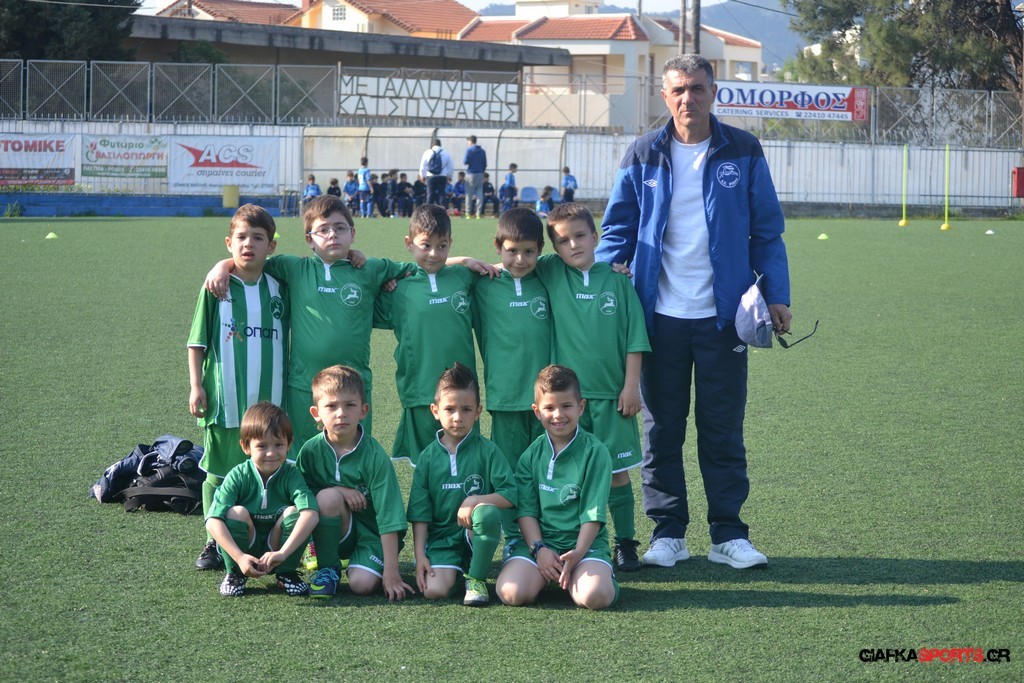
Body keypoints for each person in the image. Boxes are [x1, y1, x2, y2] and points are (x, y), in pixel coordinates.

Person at [597, 54, 792, 570]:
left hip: (724, 318)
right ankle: (668, 534)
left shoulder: (743, 149)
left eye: (698, 88)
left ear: (713, 92)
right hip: (658, 319)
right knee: (661, 431)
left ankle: (728, 534)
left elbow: (767, 230)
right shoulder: (642, 152)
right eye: (679, 90)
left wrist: (776, 294)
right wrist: (600, 288)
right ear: (665, 96)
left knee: (722, 428)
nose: (689, 98)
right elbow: (616, 231)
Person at [204, 195, 415, 449]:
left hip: (354, 389)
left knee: (353, 454)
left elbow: (422, 266)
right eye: (323, 230)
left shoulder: (369, 269)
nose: (332, 235)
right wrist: (222, 266)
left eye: (340, 228)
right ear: (309, 240)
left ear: (352, 233)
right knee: (304, 455)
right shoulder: (294, 268)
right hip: (303, 387)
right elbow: (251, 261)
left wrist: (394, 280)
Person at [532, 202, 649, 572]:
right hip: (567, 404)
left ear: (596, 237)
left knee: (616, 473)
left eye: (580, 235)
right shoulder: (552, 271)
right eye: (563, 241)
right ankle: (567, 541)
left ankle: (626, 543)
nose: (573, 245)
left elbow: (634, 338)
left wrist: (631, 387)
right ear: (554, 249)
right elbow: (512, 257)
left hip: (613, 398)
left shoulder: (618, 281)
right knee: (571, 474)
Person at [189, 204, 288, 572]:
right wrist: (196, 386)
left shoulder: (280, 287)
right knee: (218, 473)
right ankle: (214, 542)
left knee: (266, 470)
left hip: (269, 404)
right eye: (241, 238)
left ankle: (266, 539)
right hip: (225, 400)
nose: (249, 244)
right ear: (229, 243)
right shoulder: (216, 287)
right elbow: (197, 341)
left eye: (258, 238)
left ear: (271, 246)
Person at [495, 365, 617, 610]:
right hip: (541, 544)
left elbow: (592, 514)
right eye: (549, 408)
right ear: (537, 411)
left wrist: (578, 552)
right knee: (511, 593)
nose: (558, 415)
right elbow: (526, 511)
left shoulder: (596, 453)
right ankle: (544, 575)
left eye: (566, 406)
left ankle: (585, 576)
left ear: (580, 407)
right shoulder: (530, 456)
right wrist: (539, 549)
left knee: (596, 597)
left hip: (584, 546)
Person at [375, 205, 488, 465]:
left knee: (467, 459)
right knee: (426, 464)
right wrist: (384, 281)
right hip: (421, 391)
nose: (434, 253)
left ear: (450, 244)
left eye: (442, 246)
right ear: (409, 243)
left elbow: (498, 270)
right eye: (425, 245)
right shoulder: (398, 289)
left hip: (464, 390)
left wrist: (465, 260)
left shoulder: (464, 277)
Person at [296, 366, 415, 601]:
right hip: (337, 528)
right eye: (331, 406)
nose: (341, 413)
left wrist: (392, 572)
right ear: (316, 413)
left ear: (363, 410)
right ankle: (328, 568)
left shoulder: (375, 455)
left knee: (362, 585)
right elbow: (299, 494)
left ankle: (369, 562)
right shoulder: (310, 451)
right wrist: (339, 490)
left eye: (349, 405)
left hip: (372, 535)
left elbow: (389, 515)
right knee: (327, 497)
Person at [471, 208, 552, 544]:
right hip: (504, 397)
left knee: (547, 473)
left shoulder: (549, 277)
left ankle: (550, 535)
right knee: (509, 475)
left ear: (541, 250)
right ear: (497, 247)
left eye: (529, 251)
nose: (520, 259)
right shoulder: (483, 284)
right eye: (512, 251)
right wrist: (464, 260)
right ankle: (516, 540)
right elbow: (435, 267)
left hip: (549, 401)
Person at [407, 363, 516, 606]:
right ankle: (456, 573)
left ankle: (476, 578)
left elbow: (510, 494)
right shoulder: (427, 458)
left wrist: (476, 500)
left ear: (478, 411)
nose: (458, 418)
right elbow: (420, 512)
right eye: (450, 409)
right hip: (441, 540)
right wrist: (420, 555)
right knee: (434, 591)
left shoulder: (488, 451)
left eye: (466, 410)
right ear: (435, 410)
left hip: (473, 534)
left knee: (486, 513)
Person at [206, 402, 319, 597]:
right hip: (246, 547)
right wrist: (239, 557)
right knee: (235, 513)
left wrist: (283, 554)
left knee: (295, 513)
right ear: (246, 446)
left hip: (277, 547)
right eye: (262, 446)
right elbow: (212, 521)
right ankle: (235, 574)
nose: (271, 453)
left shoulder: (291, 475)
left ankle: (286, 573)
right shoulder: (238, 475)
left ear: (289, 443)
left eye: (279, 445)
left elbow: (312, 515)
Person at [419, 138, 453, 207]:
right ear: (440, 144)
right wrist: (449, 176)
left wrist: (422, 175)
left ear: (432, 145)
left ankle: (428, 210)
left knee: (430, 194)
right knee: (441, 194)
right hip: (442, 176)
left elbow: (423, 165)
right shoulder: (446, 153)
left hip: (430, 176)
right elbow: (450, 166)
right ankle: (443, 210)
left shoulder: (427, 152)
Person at [463, 135, 487, 219]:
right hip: (480, 174)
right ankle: (478, 213)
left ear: (470, 141)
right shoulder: (482, 151)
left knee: (469, 194)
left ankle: (468, 213)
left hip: (470, 173)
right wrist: (482, 171)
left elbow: (465, 162)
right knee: (479, 193)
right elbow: (485, 164)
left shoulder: (469, 150)